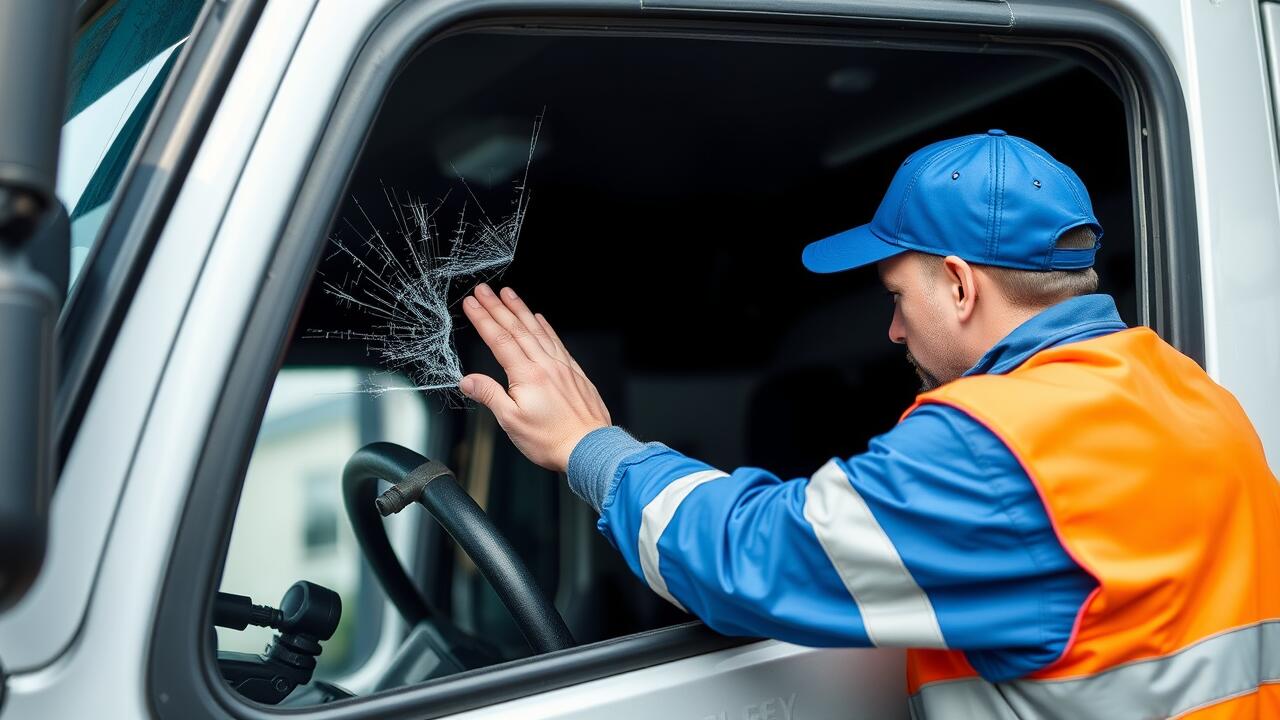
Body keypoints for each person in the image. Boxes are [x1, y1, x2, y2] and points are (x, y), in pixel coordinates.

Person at [456, 130, 1280, 718]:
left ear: (959, 286)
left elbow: (753, 558)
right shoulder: (1195, 397)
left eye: (895, 297)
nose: (891, 331)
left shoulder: (1003, 445)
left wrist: (587, 448)